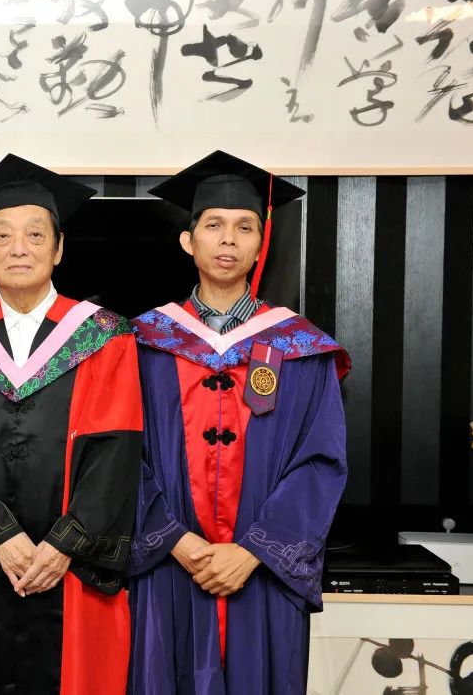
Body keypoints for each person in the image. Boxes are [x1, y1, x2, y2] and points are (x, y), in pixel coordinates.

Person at [128, 150, 350, 694]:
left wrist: (254, 549)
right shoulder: (139, 343)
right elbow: (117, 454)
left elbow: (321, 461)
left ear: (259, 243)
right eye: (214, 225)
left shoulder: (300, 348)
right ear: (189, 241)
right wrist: (172, 538)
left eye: (244, 227)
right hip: (170, 565)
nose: (228, 239)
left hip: (261, 574)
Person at [0, 154, 142, 694]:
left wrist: (65, 544)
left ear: (59, 247)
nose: (18, 248)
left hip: (71, 566)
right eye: (2, 235)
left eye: (35, 234)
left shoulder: (105, 337)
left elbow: (116, 449)